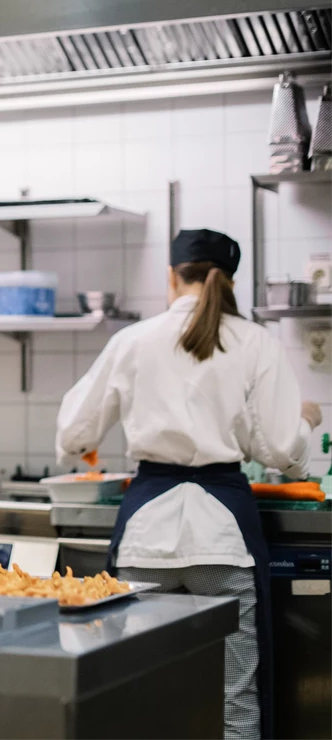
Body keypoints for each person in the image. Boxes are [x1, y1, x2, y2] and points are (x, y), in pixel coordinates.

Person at [56, 228, 322, 740]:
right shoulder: (253, 341)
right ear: (230, 281)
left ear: (172, 276)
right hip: (223, 544)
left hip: (145, 542)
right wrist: (306, 421)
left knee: (139, 693)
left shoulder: (132, 339)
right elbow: (285, 455)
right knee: (234, 701)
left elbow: (73, 434)